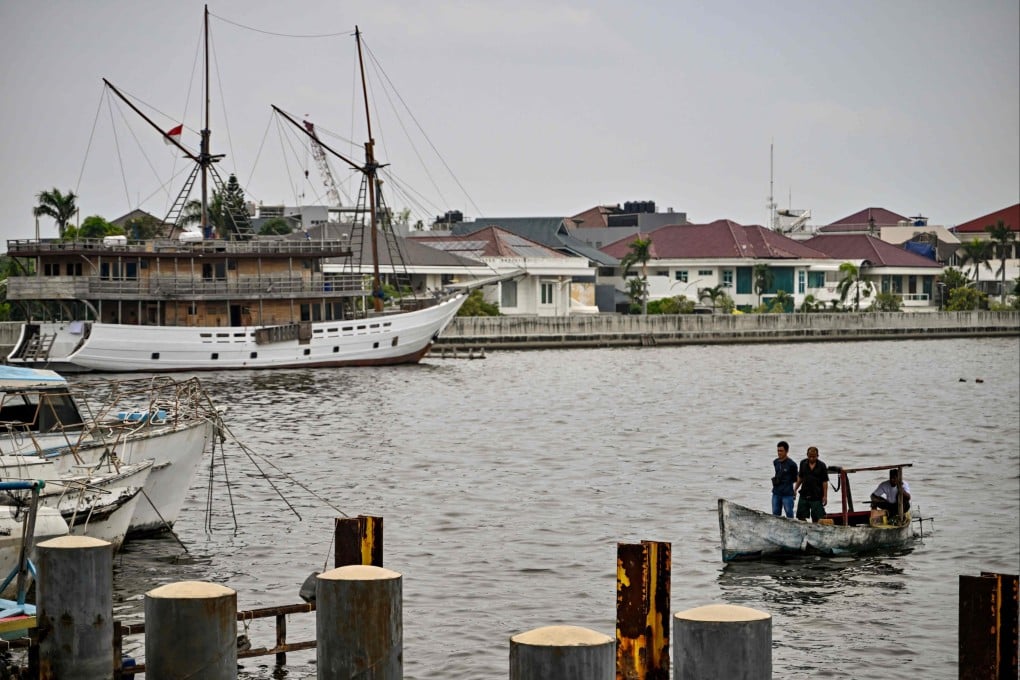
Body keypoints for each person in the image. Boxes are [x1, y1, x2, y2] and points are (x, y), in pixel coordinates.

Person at [794, 446, 829, 522]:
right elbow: (800, 478)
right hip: (804, 494)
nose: (812, 458)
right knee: (800, 516)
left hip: (816, 496)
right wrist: (795, 489)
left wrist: (825, 496)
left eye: (814, 457)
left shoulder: (822, 466)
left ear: (817, 456)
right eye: (810, 456)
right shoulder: (803, 463)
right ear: (807, 455)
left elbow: (825, 482)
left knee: (817, 518)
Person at [771, 441, 798, 518]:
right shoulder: (775, 462)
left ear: (787, 451)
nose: (779, 453)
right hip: (776, 492)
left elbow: (795, 479)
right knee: (775, 514)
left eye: (781, 451)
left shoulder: (792, 464)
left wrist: (787, 483)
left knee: (789, 514)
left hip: (787, 494)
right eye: (778, 451)